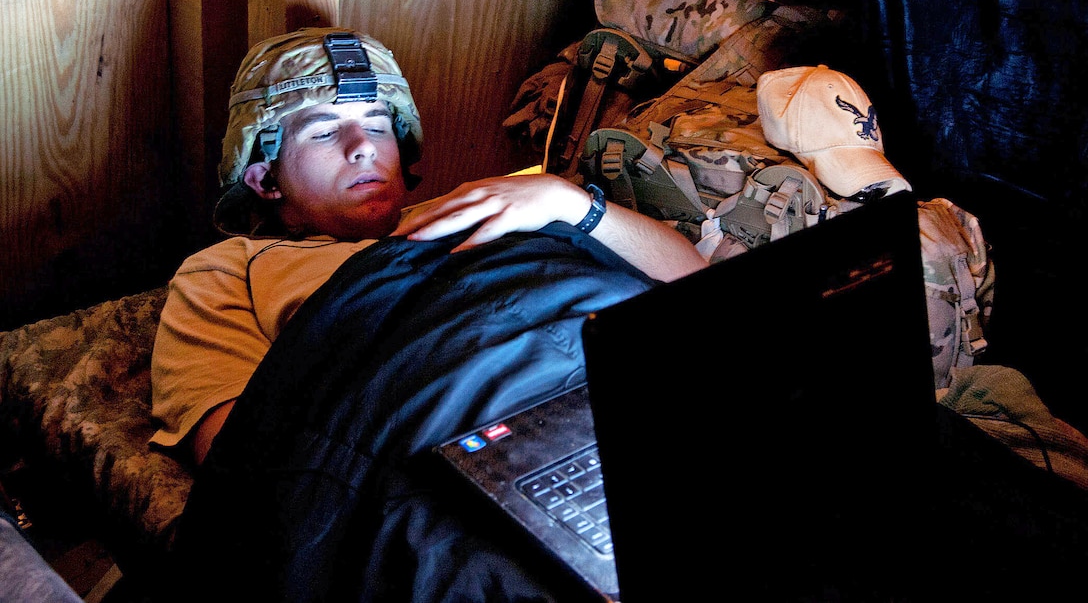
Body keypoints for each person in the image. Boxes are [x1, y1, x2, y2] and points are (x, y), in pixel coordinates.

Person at [149, 27, 706, 468]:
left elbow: (694, 282)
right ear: (264, 180)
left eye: (378, 125)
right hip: (474, 437)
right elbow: (239, 462)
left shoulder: (487, 203)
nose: (363, 148)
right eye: (323, 132)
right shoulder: (228, 268)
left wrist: (567, 202)